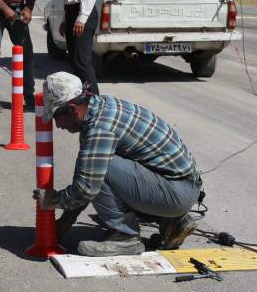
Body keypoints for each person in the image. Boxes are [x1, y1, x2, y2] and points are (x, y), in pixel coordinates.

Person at [33, 72, 202, 257]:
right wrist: (66, 221)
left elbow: (86, 188)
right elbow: (85, 170)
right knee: (94, 167)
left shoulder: (100, 129)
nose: (58, 125)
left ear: (73, 110)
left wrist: (52, 200)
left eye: (57, 117)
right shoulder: (99, 107)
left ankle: (125, 237)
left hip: (177, 192)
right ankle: (172, 222)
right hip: (181, 186)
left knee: (101, 170)